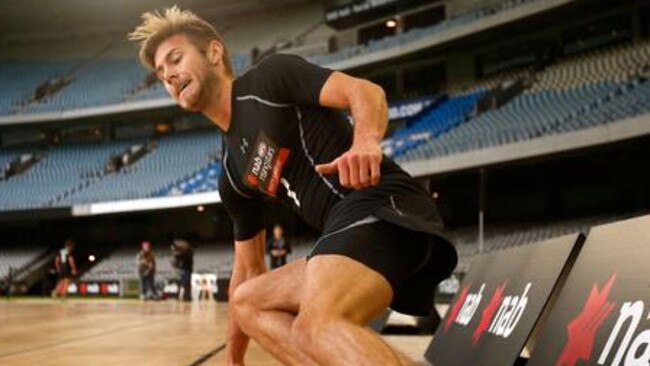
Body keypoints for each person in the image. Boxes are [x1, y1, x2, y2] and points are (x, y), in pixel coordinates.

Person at [129, 7, 457, 365]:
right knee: (247, 301)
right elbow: (248, 269)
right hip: (346, 233)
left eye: (175, 59)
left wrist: (365, 141)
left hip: (384, 207)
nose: (170, 76)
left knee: (315, 325)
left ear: (213, 52)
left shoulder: (269, 79)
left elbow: (364, 91)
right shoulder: (231, 173)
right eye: (161, 73)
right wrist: (233, 359)